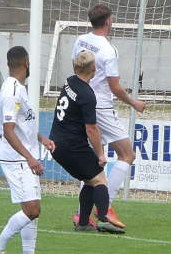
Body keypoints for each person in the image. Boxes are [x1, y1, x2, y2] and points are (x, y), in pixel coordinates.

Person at [71, 4, 146, 229]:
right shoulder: (107, 49)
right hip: (101, 107)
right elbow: (115, 87)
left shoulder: (80, 41)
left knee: (94, 163)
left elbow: (77, 69)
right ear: (108, 21)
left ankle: (80, 214)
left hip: (82, 102)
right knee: (127, 154)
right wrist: (135, 103)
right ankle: (106, 206)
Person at [0, 46, 57, 254]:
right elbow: (8, 130)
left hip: (24, 154)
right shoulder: (11, 92)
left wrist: (40, 138)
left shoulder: (18, 88)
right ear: (26, 63)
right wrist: (30, 158)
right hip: (15, 157)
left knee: (33, 205)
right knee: (32, 209)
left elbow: (20, 124)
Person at [50, 50, 125, 234]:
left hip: (57, 143)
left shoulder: (69, 82)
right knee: (100, 180)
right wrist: (100, 154)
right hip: (71, 145)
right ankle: (103, 219)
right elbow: (91, 129)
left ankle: (83, 223)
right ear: (94, 68)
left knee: (90, 179)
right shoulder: (87, 94)